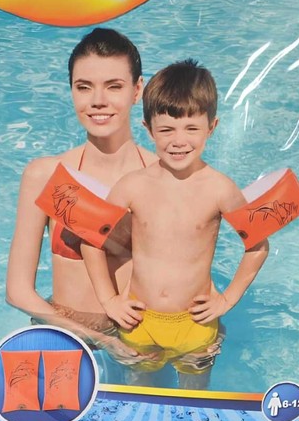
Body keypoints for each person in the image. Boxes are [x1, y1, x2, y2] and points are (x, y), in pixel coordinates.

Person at [82, 59, 269, 387]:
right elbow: (91, 239)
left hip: (195, 324)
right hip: (140, 320)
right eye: (166, 130)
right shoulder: (132, 186)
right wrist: (109, 300)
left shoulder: (220, 189)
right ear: (148, 129)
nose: (178, 141)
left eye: (191, 129)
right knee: (140, 394)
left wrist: (227, 299)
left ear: (212, 127)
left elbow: (257, 245)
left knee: (193, 402)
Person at [6, 28, 158, 365]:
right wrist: (99, 339)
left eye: (114, 86)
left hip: (142, 343)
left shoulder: (163, 178)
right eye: (84, 87)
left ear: (137, 90)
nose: (98, 101)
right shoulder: (45, 175)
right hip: (67, 338)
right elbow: (18, 291)